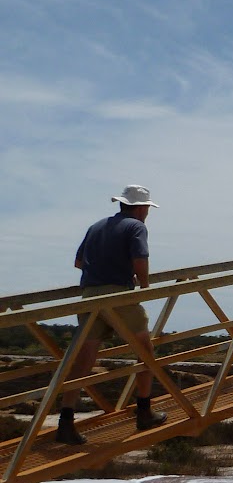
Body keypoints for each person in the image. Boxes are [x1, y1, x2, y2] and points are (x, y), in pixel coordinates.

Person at [57, 184, 167, 446]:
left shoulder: (96, 226)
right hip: (118, 297)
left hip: (89, 297)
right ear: (141, 208)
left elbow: (78, 262)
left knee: (83, 362)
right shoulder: (136, 227)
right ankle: (144, 412)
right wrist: (144, 285)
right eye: (147, 209)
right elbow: (140, 259)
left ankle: (65, 421)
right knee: (145, 353)